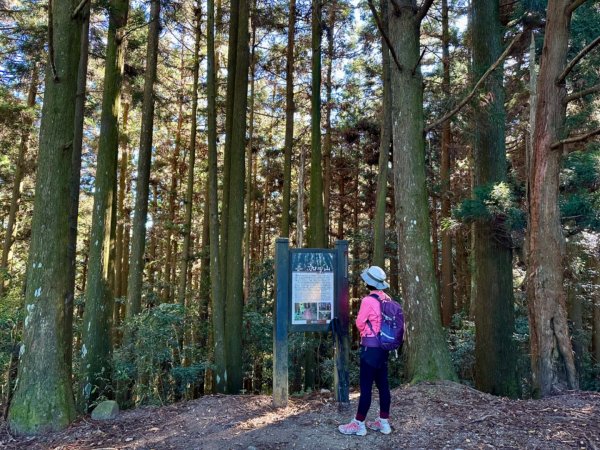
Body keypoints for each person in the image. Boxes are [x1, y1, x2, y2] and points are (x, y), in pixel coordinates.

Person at [338, 265, 392, 436]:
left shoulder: (368, 301)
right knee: (383, 385)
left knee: (366, 387)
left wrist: (366, 332)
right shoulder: (387, 299)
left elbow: (360, 323)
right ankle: (384, 423)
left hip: (370, 348)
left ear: (369, 283)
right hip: (384, 348)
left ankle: (358, 424)